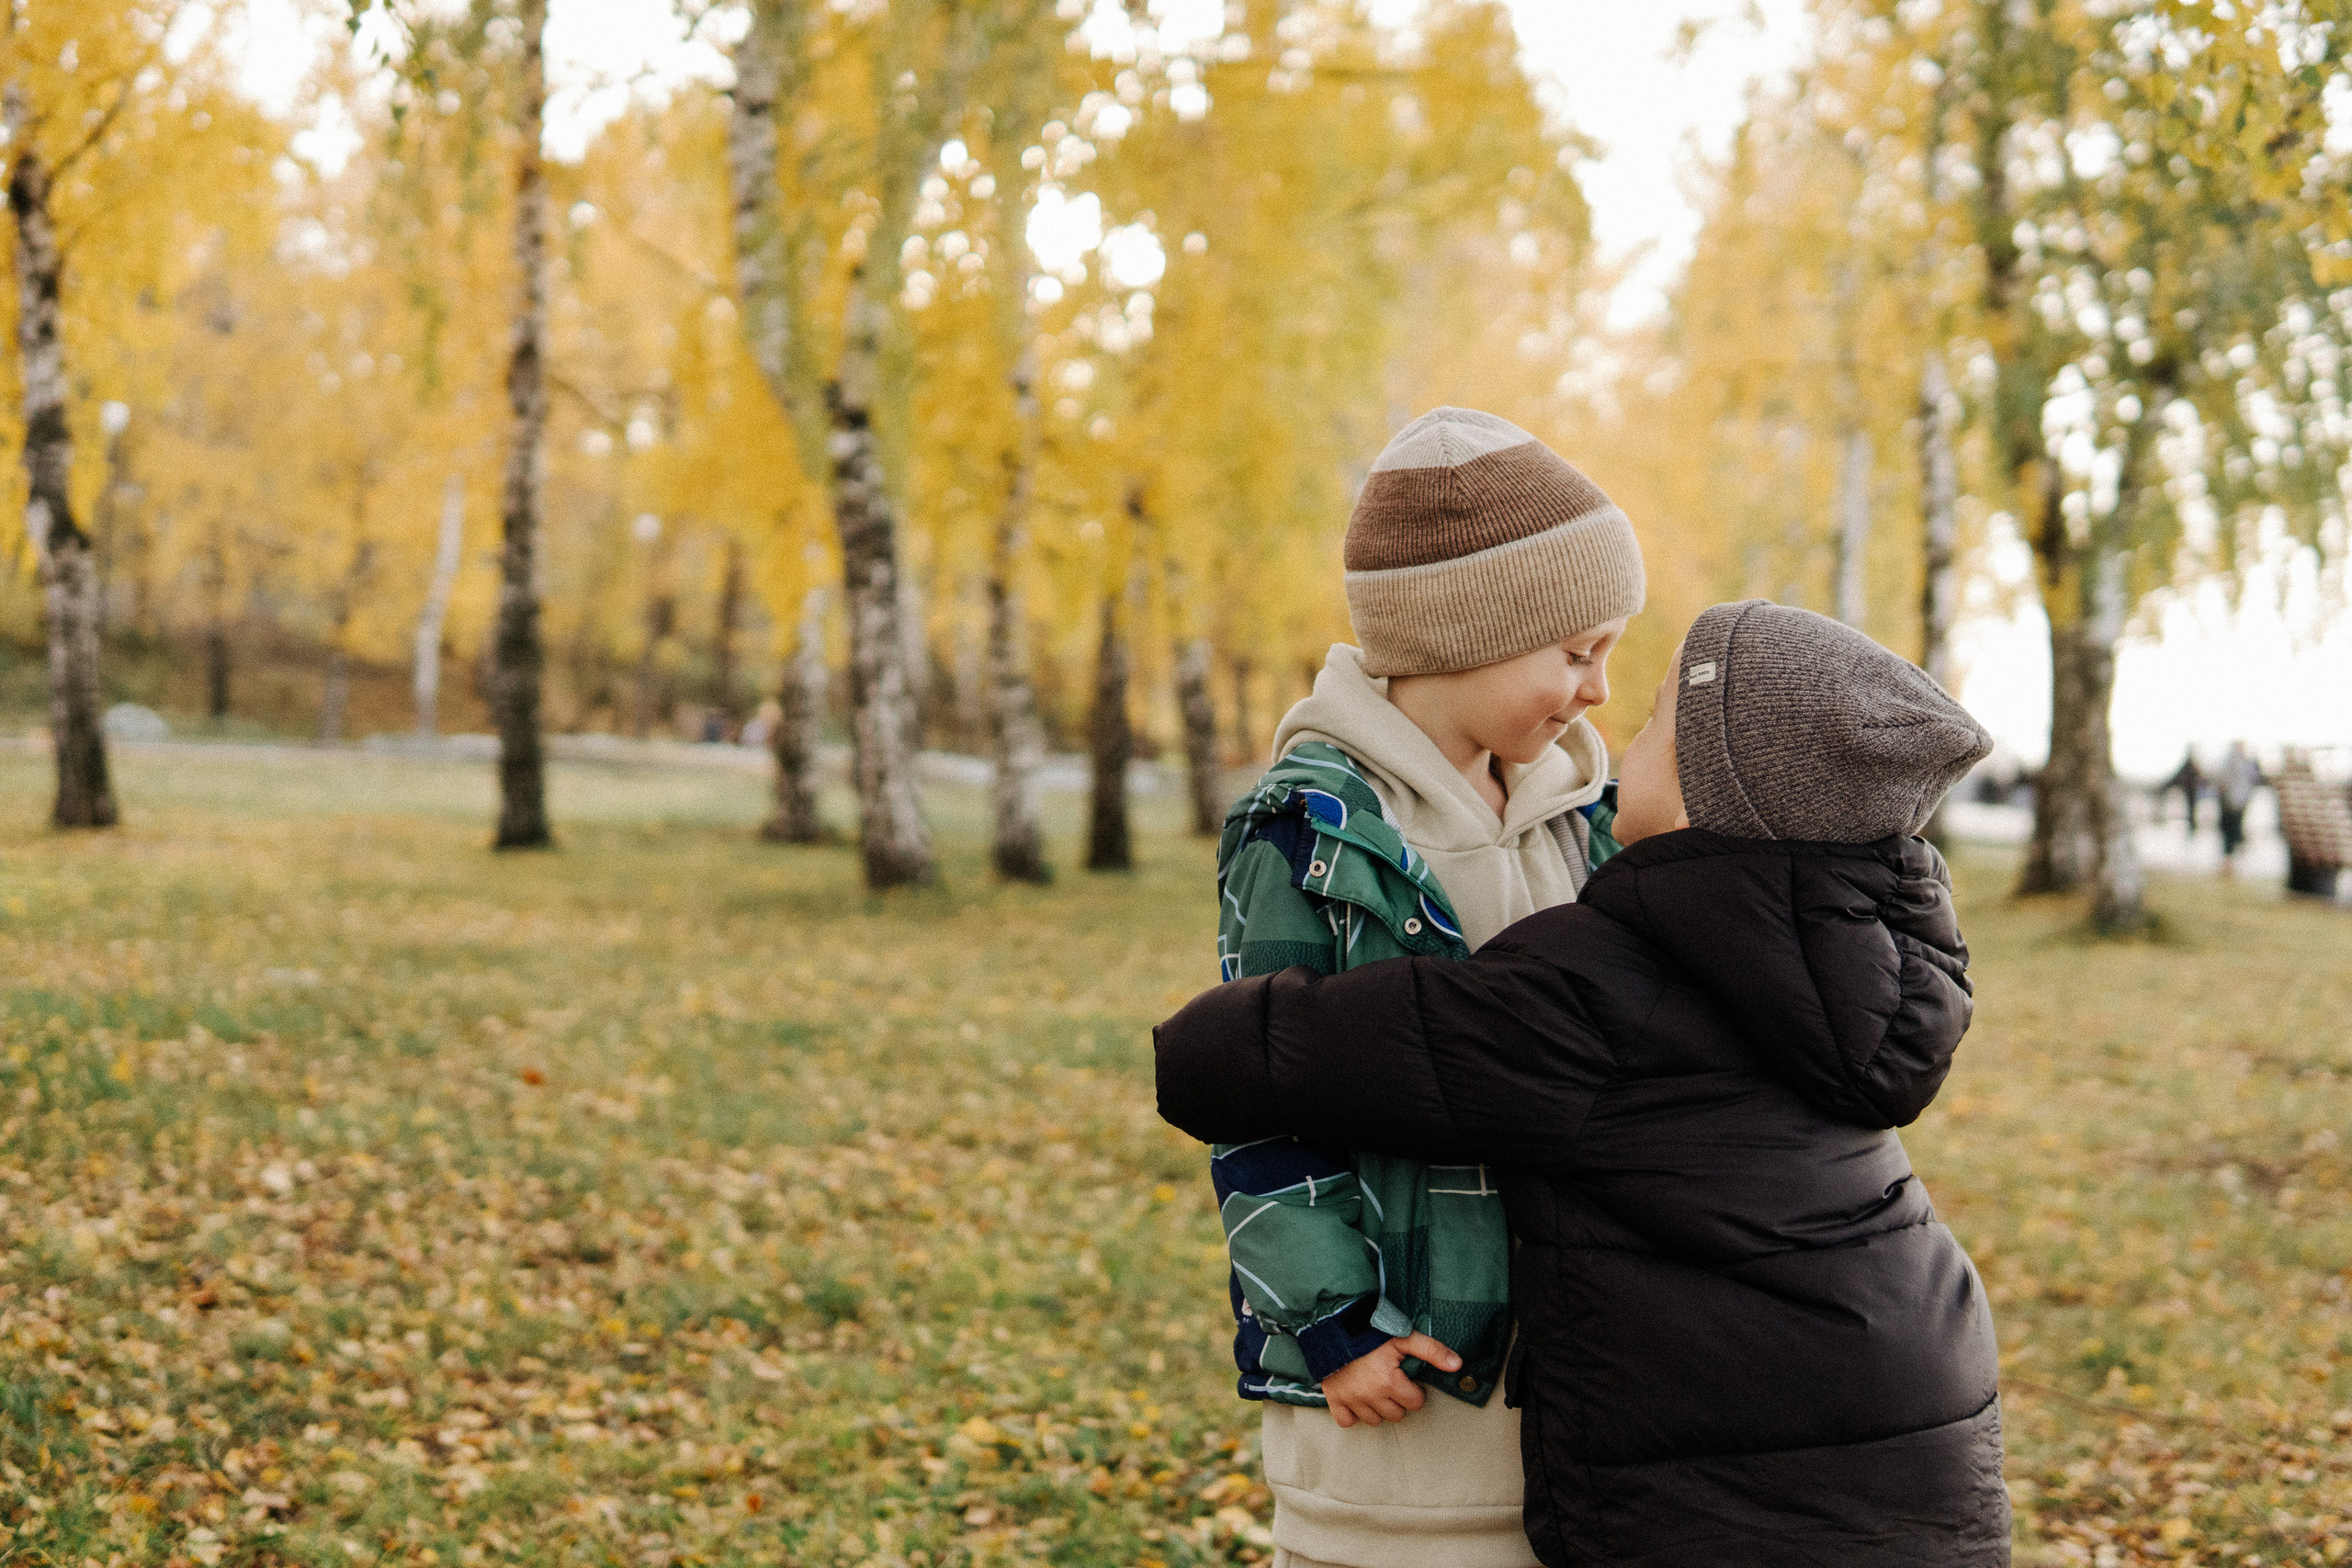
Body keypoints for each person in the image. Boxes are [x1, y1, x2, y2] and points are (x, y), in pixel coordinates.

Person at [1159, 601, 2010, 1567]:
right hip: (1913, 1418)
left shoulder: (1611, 989)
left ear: (1706, 794)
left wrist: (1209, 1035)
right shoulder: (1853, 961)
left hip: (1744, 1488)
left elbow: (1256, 1058)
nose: (1613, 730)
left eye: (1651, 723)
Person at [1207, 407, 1645, 1568]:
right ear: (1466, 634)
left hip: (1560, 1380)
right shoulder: (1309, 830)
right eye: (1575, 652)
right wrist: (1332, 1325)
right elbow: (1257, 1096)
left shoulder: (1579, 822)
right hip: (1393, 1388)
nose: (1599, 692)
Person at [2216, 739, 2264, 871]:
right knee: (2230, 831)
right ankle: (2228, 861)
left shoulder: (2241, 762)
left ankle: (2230, 860)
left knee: (2233, 830)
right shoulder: (2233, 762)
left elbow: (2253, 779)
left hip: (2237, 801)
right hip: (2232, 802)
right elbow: (2223, 781)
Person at [2164, 746, 2204, 834]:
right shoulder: (2184, 767)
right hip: (2186, 794)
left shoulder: (2192, 767)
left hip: (2190, 795)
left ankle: (2191, 829)